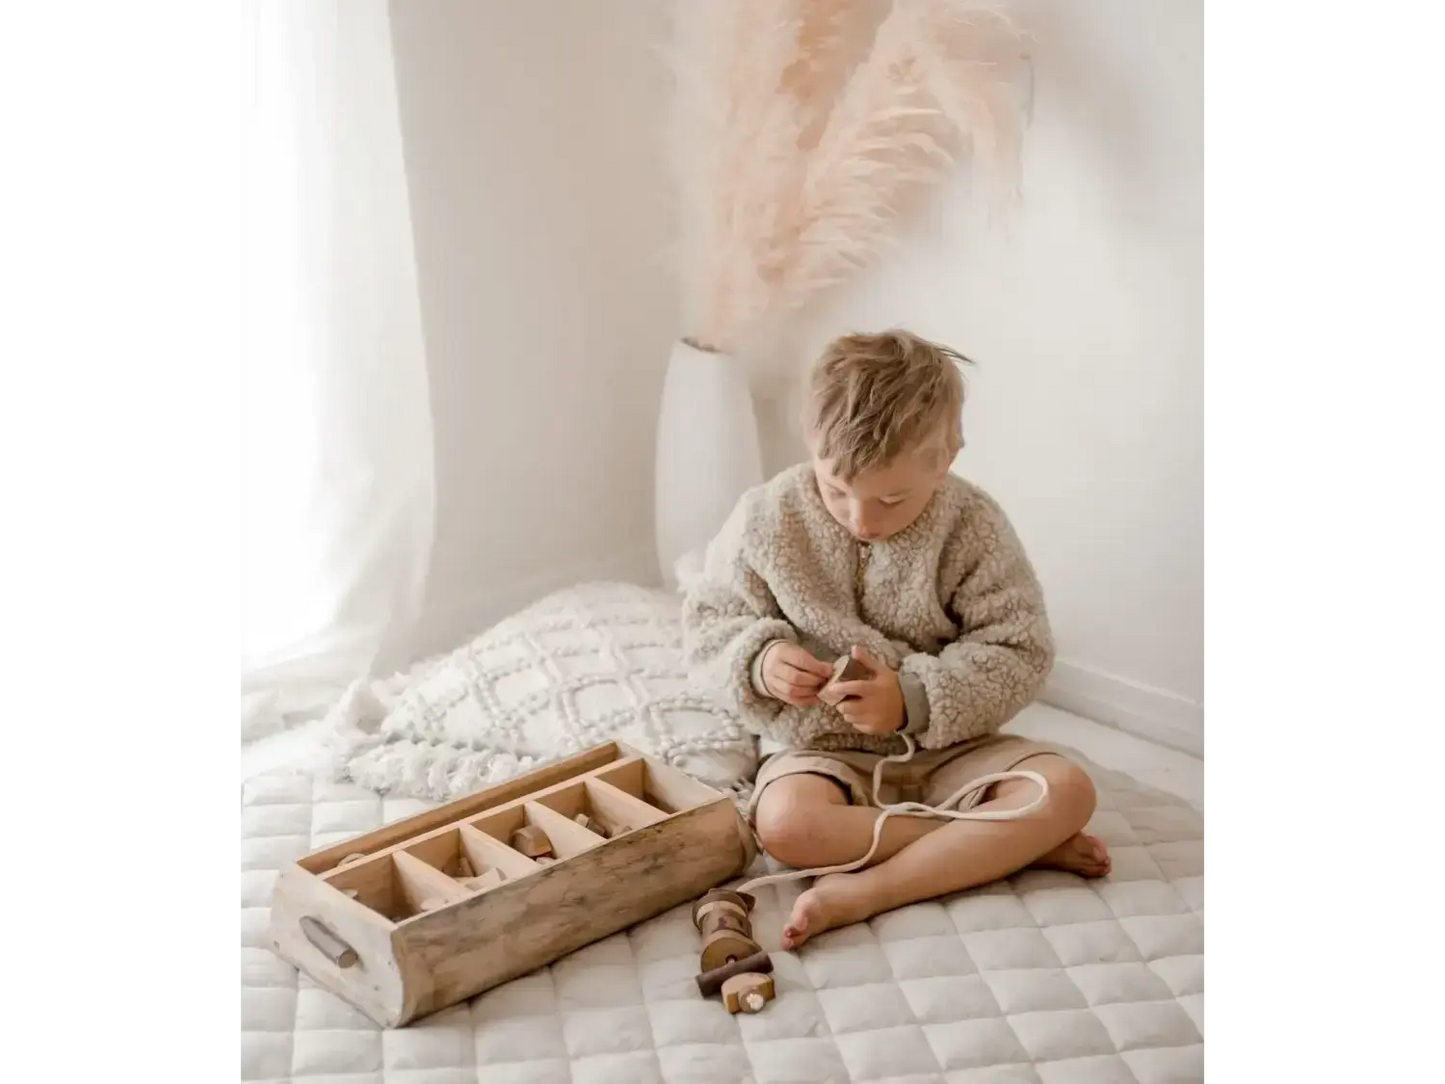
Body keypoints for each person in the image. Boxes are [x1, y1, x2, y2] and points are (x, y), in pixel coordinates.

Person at [681, 329, 1110, 950]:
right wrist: (760, 660)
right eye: (836, 490)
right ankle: (1003, 842)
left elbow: (1020, 649)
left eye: (891, 497)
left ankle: (868, 890)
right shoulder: (766, 517)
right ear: (810, 444)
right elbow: (708, 622)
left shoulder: (973, 526)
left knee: (1068, 789)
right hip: (826, 753)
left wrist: (915, 698)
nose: (861, 519)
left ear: (946, 459)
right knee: (784, 825)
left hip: (953, 747)